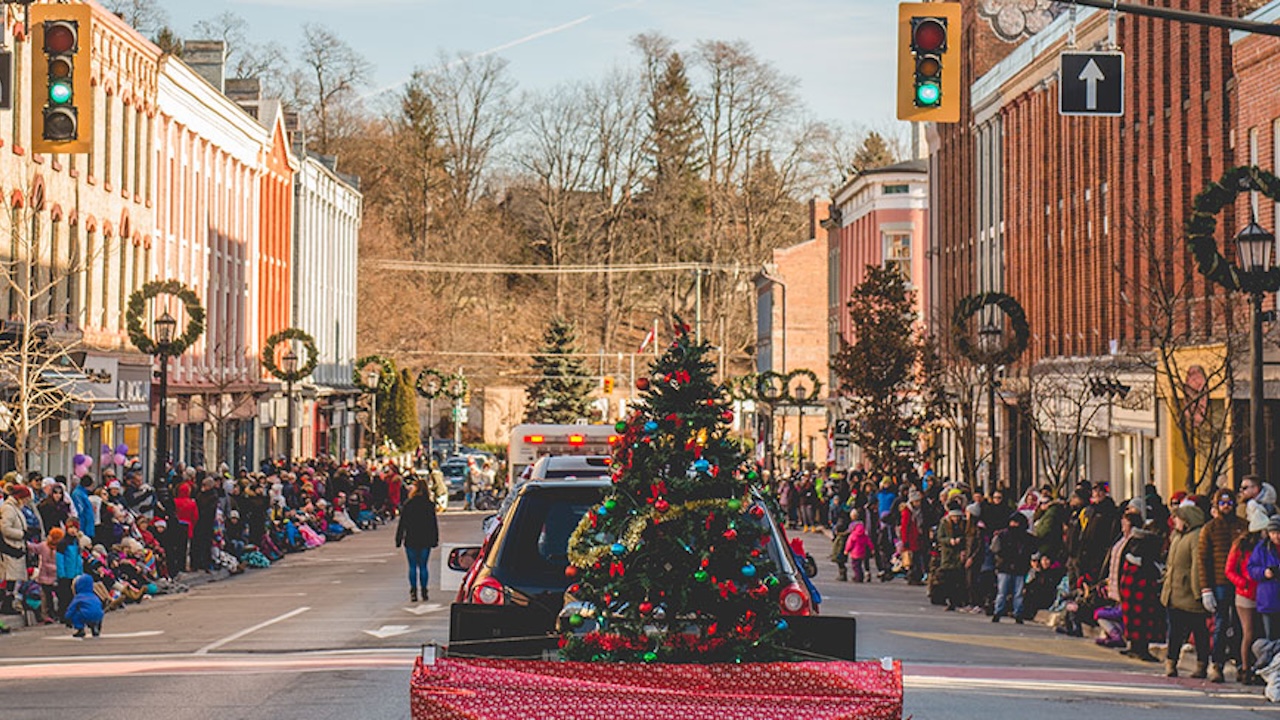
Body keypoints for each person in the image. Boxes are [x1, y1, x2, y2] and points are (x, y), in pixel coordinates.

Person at [1198, 488, 1247, 682]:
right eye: (1222, 503)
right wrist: (1205, 588)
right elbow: (1203, 560)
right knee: (1220, 624)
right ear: (1216, 506)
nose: (1226, 506)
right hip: (1219, 583)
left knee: (1240, 624)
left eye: (1229, 503)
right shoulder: (1209, 529)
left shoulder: (1243, 526)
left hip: (1241, 583)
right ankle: (1216, 664)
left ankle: (1242, 664)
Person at [1162, 504, 1209, 678]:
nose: (1175, 521)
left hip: (1188, 593)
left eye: (1178, 518)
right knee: (1175, 631)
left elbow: (1197, 567)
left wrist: (1199, 593)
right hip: (1174, 592)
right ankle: (1171, 662)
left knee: (1198, 631)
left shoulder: (1195, 537)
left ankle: (1201, 664)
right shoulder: (1177, 537)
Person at [1116, 510, 1162, 663]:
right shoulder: (1128, 541)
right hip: (1130, 587)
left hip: (1139, 587)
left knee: (1141, 617)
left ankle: (1141, 648)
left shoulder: (1142, 544)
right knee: (1132, 617)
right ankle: (1134, 646)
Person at [1227, 506, 1266, 684]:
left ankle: (1258, 666)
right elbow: (1229, 570)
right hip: (1245, 594)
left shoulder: (1268, 547)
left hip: (1264, 593)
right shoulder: (1241, 545)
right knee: (1248, 632)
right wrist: (1243, 583)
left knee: (1260, 633)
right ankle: (1245, 667)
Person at [396, 477, 440, 603]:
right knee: (423, 566)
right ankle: (424, 591)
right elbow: (433, 523)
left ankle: (413, 591)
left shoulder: (408, 504)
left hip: (411, 538)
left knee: (412, 566)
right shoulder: (429, 504)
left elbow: (402, 522)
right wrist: (435, 538)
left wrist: (399, 538)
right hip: (425, 538)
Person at [990, 512, 1034, 623]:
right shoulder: (1003, 535)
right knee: (1004, 592)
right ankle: (999, 612)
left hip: (1017, 567)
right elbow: (995, 549)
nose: (1014, 524)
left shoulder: (1026, 537)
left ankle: (1015, 613)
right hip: (1007, 566)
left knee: (1015, 593)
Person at [1247, 514, 1280, 642]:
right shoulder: (1261, 548)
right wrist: (1264, 572)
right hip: (1268, 599)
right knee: (1270, 638)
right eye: (1273, 533)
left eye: (1278, 532)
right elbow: (1251, 568)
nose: (1276, 536)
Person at [933, 501, 968, 611]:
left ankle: (957, 600)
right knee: (948, 579)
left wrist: (960, 542)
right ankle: (950, 600)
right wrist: (949, 541)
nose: (956, 519)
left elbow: (967, 537)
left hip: (959, 554)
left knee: (958, 578)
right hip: (947, 554)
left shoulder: (964, 524)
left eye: (958, 517)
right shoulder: (944, 523)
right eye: (954, 517)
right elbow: (940, 537)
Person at [64, 573, 103, 638]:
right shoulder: (94, 596)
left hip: (85, 615)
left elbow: (71, 608)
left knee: (76, 614)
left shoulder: (79, 597)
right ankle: (95, 627)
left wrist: (67, 618)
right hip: (98, 615)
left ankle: (80, 629)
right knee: (95, 614)